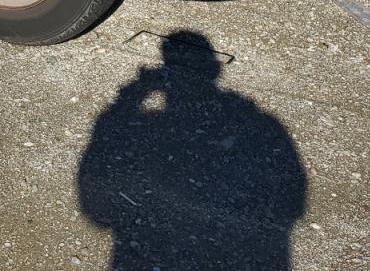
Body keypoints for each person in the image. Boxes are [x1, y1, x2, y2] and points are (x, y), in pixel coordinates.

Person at [78, 30, 307, 270]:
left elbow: (95, 209)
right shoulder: (263, 122)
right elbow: (292, 203)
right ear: (216, 70)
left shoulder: (259, 122)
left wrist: (135, 91)